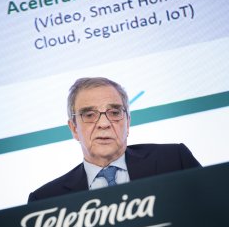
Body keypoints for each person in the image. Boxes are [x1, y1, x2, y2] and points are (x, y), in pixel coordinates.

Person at [28, 77, 201, 202]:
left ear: (128, 122)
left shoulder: (175, 161)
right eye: (89, 115)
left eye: (115, 113)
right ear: (74, 129)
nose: (104, 123)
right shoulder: (46, 199)